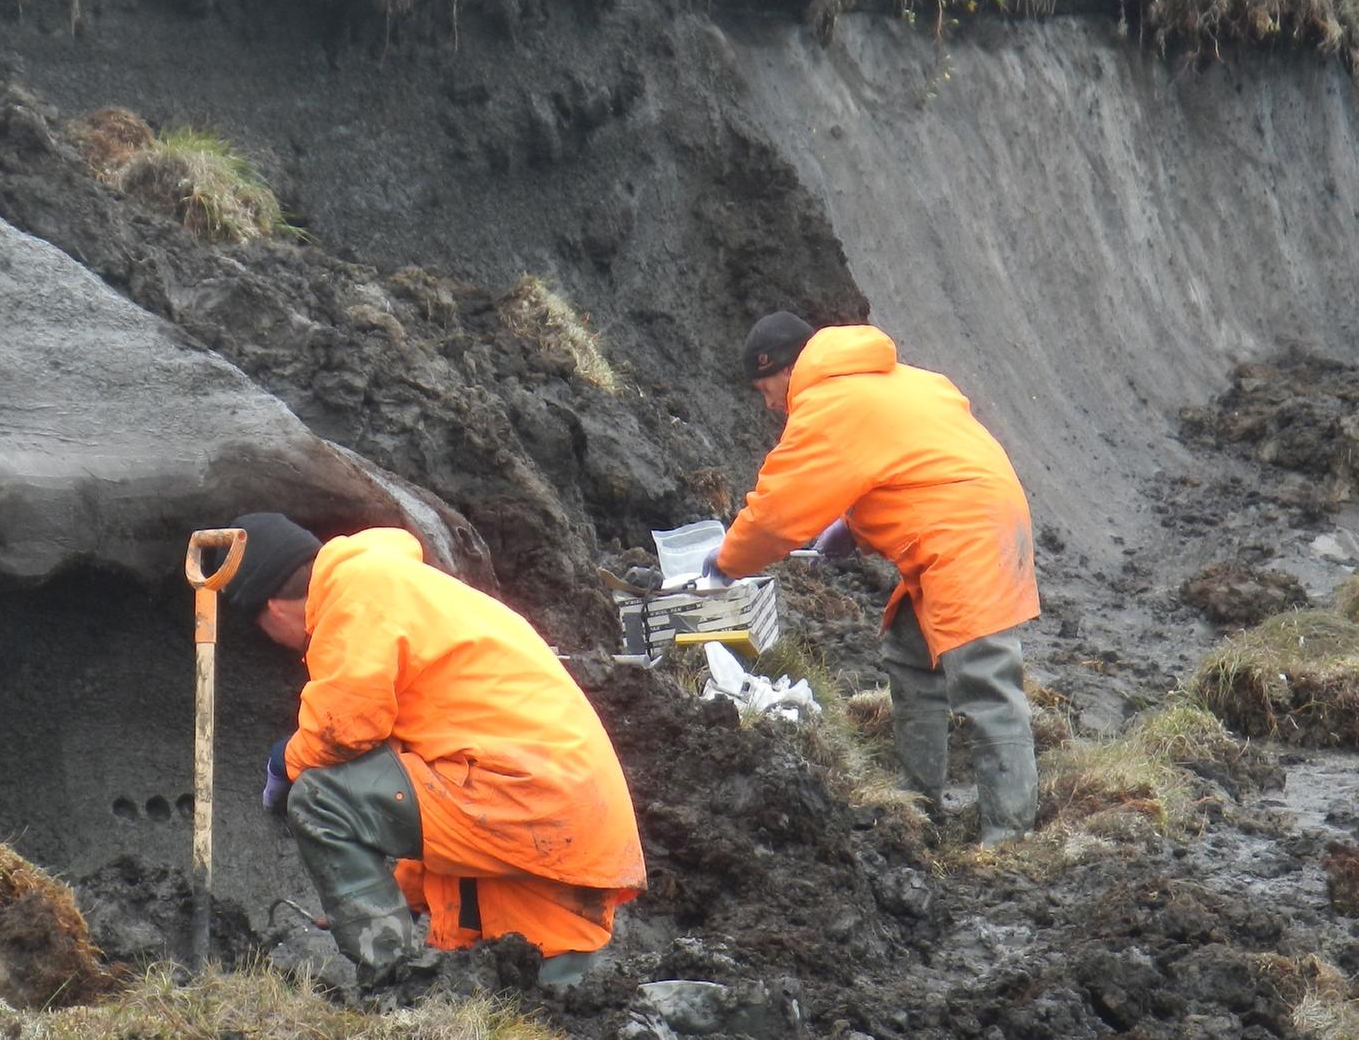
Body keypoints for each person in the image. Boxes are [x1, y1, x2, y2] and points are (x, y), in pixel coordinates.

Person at [212, 512, 645, 987]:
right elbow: (435, 795)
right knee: (539, 995)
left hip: (526, 795)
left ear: (272, 609)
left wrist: (285, 764)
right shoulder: (404, 587)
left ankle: (392, 986)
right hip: (558, 809)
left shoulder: (356, 593)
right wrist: (386, 899)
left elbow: (343, 728)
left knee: (319, 797)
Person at [706, 312, 1041, 845]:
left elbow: (776, 513)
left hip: (964, 536)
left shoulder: (829, 403)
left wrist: (727, 562)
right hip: (970, 522)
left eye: (764, 387)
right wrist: (854, 527)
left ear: (786, 369)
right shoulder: (894, 382)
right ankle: (918, 799)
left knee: (984, 681)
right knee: (911, 655)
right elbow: (910, 467)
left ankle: (1012, 834)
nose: (768, 403)